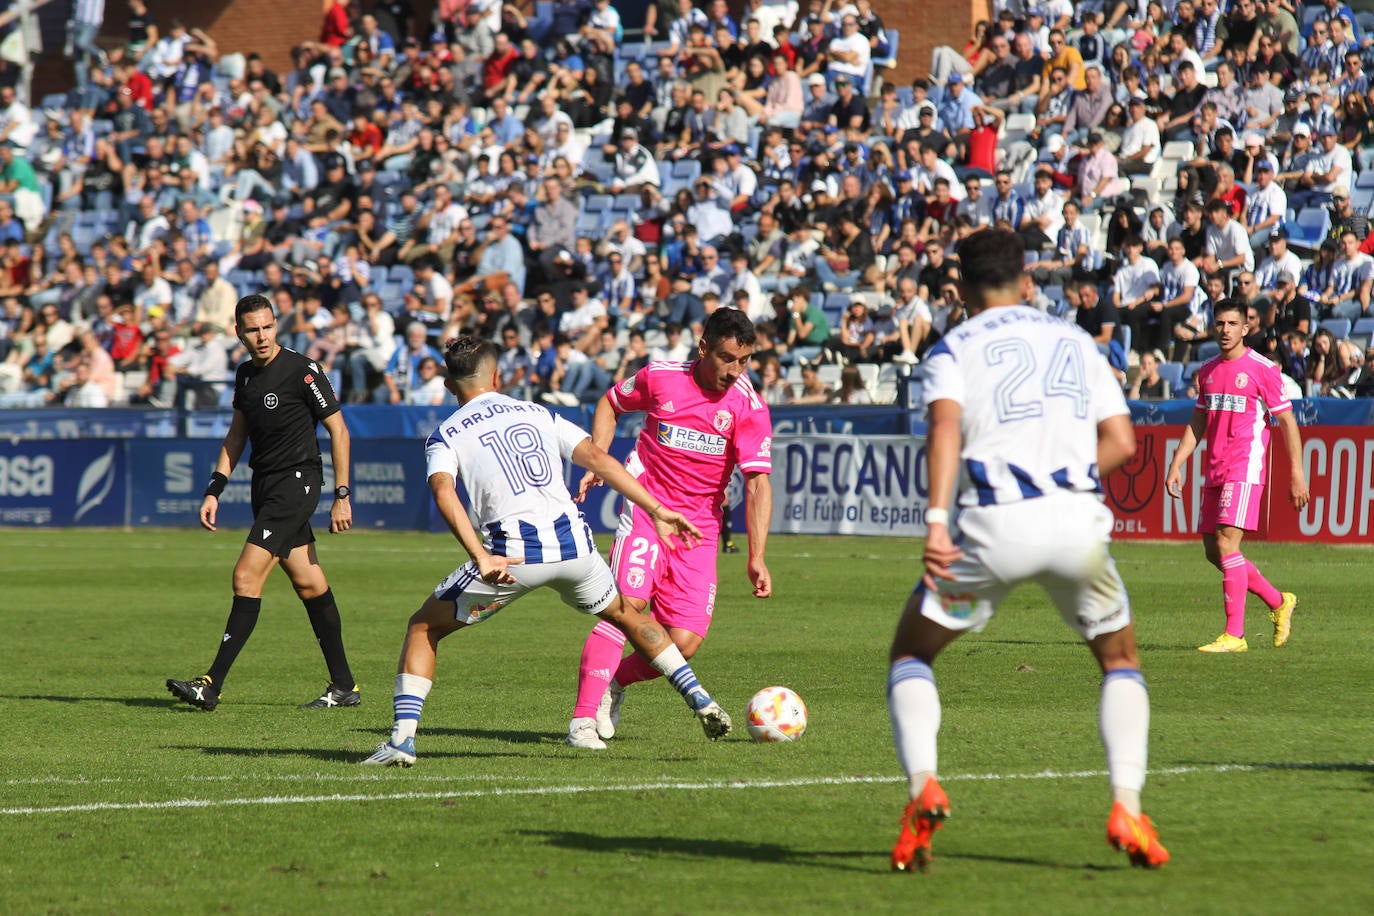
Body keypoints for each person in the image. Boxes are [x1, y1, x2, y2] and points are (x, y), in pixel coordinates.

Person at [888, 228, 1167, 873]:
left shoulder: (952, 348)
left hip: (992, 530)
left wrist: (935, 520)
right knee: (1120, 660)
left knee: (912, 653)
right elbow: (1122, 441)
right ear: (1026, 279)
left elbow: (945, 427)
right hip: (1077, 528)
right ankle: (1127, 805)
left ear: (957, 289)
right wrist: (1063, 479)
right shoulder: (1076, 341)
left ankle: (922, 787)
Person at [360, 337, 732, 765]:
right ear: (498, 377)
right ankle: (700, 698)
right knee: (628, 616)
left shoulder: (446, 433)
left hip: (514, 557)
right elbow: (598, 457)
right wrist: (657, 509)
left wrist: (480, 556)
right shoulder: (538, 412)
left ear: (447, 385)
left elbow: (444, 492)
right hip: (576, 549)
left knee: (424, 627)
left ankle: (402, 742)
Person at [570, 308, 773, 745]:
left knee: (683, 641)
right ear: (703, 348)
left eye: (744, 361)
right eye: (726, 358)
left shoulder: (749, 406)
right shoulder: (660, 377)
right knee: (628, 605)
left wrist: (756, 557)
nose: (735, 371)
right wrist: (600, 459)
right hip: (646, 509)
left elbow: (757, 484)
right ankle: (583, 719)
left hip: (697, 529)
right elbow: (610, 402)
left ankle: (614, 683)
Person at [166, 294, 360, 711]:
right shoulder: (245, 376)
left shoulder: (303, 371)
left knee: (245, 577)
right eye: (252, 329)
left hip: (297, 485)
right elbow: (237, 435)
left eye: (268, 326)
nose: (262, 336)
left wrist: (342, 495)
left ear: (277, 326)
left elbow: (339, 432)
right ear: (238, 333)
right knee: (310, 584)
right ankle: (344, 686)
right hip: (265, 487)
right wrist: (214, 488)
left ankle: (210, 683)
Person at [1165, 299, 1309, 653]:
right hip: (1214, 467)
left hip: (1244, 467)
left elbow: (1287, 421)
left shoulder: (1262, 369)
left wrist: (1297, 473)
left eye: (1232, 324)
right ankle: (1278, 601)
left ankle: (1235, 635)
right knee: (1214, 551)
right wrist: (1177, 462)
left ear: (1246, 328)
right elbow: (1199, 420)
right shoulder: (1208, 371)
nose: (1225, 330)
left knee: (1228, 544)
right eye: (1220, 324)